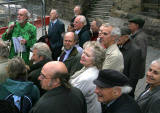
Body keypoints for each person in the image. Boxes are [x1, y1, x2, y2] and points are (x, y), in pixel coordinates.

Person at [70, 41, 105, 113]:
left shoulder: (88, 77)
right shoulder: (88, 68)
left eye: (87, 55)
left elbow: (71, 97)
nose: (82, 56)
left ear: (96, 60)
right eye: (83, 52)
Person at [118, 27, 143, 97]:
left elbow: (133, 76)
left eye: (119, 36)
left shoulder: (136, 51)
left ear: (126, 37)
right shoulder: (119, 44)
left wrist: (126, 92)